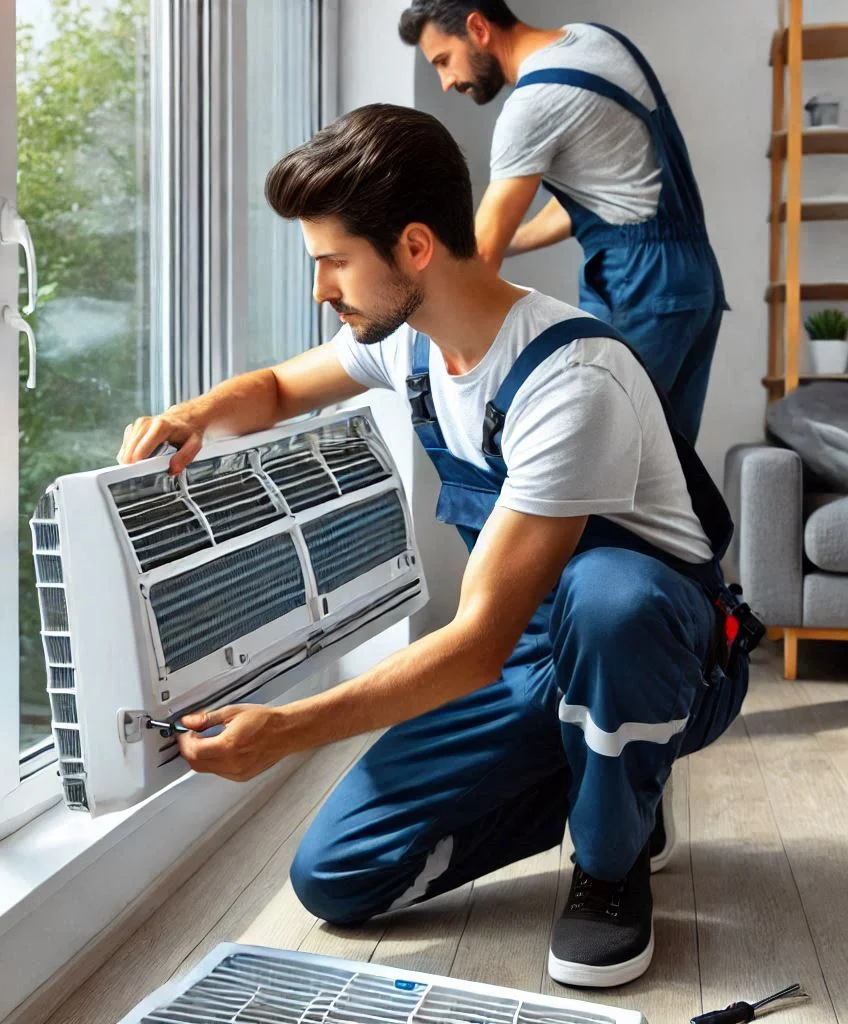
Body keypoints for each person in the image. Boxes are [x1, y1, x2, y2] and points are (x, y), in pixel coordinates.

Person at [117, 104, 757, 989]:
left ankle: (611, 866)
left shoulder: (571, 380)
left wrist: (287, 732)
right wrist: (192, 416)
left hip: (665, 653)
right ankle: (612, 778)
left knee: (610, 598)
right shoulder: (409, 344)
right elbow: (272, 389)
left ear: (414, 247)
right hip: (528, 654)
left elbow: (476, 642)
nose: (321, 290)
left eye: (332, 262)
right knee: (336, 877)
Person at [398, 0, 727, 444]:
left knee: (593, 459)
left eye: (444, 60)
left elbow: (482, 252)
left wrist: (429, 343)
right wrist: (506, 241)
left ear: (478, 27)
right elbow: (605, 191)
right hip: (692, 278)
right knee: (670, 465)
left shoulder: (533, 104)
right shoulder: (594, 41)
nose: (446, 81)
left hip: (639, 284)